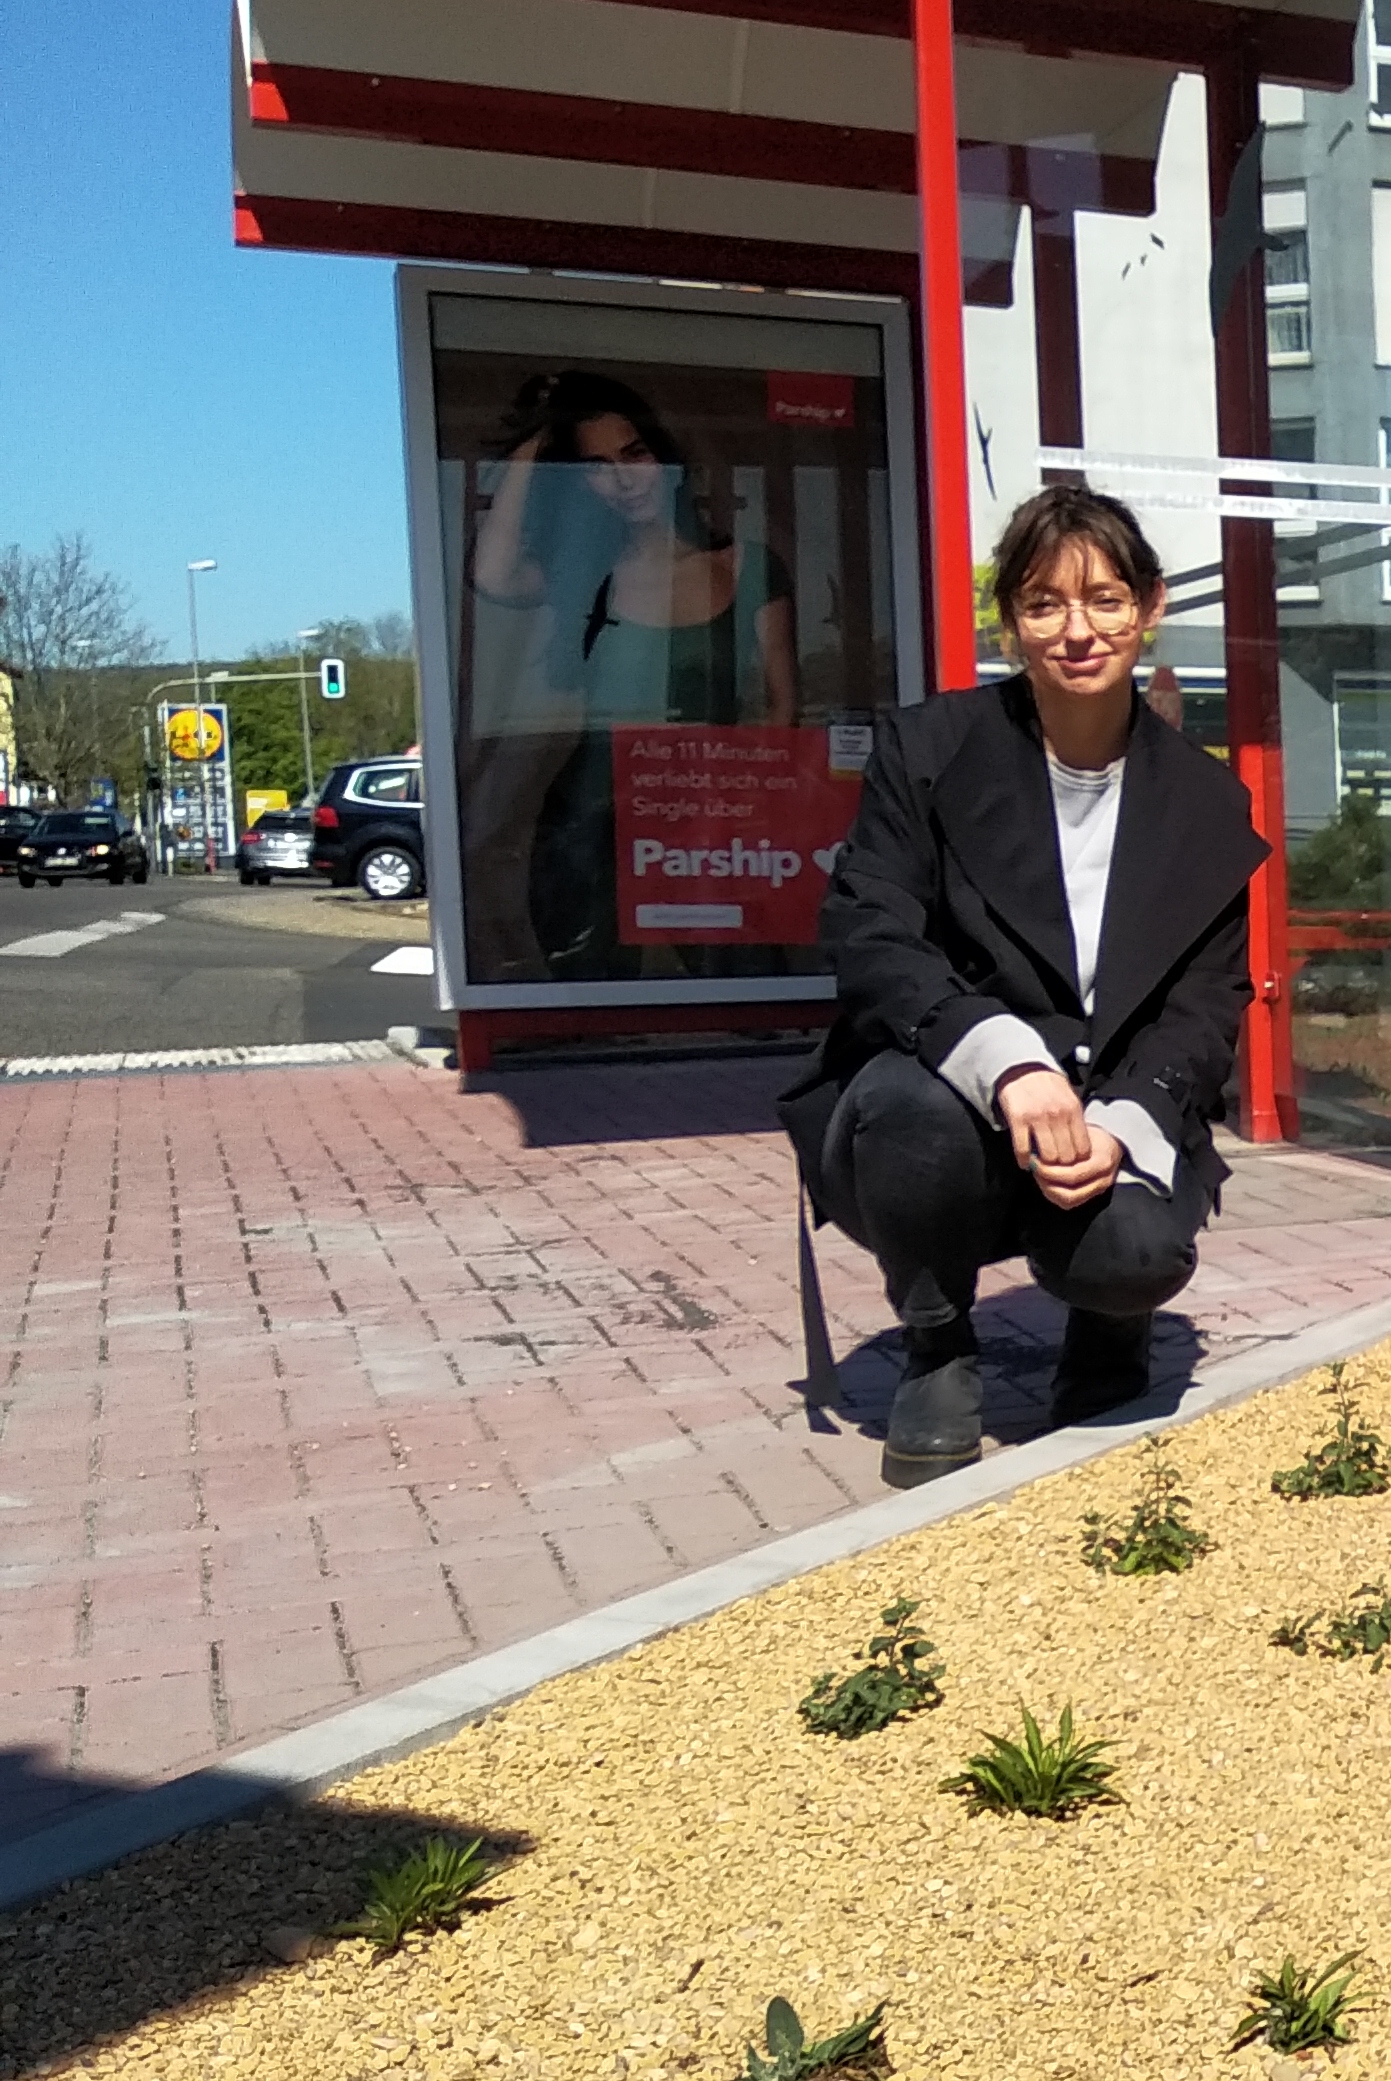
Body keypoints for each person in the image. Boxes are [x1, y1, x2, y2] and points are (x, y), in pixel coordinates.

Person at [779, 484, 1267, 1487]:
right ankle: (938, 1343)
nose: (1077, 631)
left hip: (1109, 1100)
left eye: (1104, 599)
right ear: (1009, 622)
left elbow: (1205, 1004)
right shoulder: (928, 750)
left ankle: (1104, 1325)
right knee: (908, 1117)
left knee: (1135, 1256)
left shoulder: (1206, 799)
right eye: (1044, 603)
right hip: (952, 1087)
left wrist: (1126, 1124)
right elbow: (871, 931)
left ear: (1150, 607)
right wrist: (1005, 1059)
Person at [460, 370, 800, 975]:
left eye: (634, 453)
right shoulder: (587, 574)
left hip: (710, 827)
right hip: (595, 822)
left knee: (744, 993)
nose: (621, 479)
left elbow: (782, 710)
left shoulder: (747, 567)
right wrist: (540, 443)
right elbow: (492, 574)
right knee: (596, 995)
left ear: (664, 455)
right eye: (593, 466)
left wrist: (756, 817)